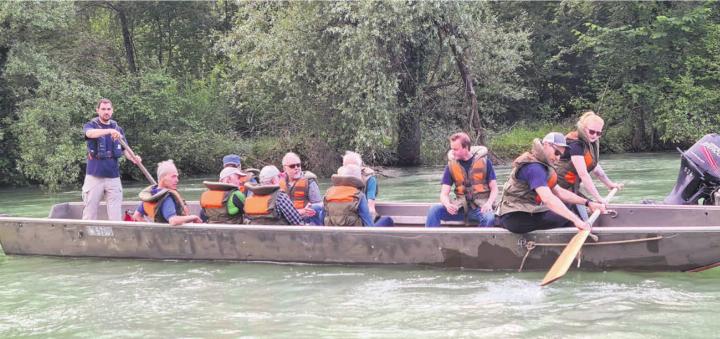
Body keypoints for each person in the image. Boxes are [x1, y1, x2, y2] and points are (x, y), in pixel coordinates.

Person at [497, 132, 606, 234]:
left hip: (527, 210)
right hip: (515, 217)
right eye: (557, 153)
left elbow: (559, 192)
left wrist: (589, 203)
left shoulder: (542, 165)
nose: (558, 158)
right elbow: (548, 199)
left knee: (571, 206)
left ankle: (579, 231)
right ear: (546, 145)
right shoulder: (534, 168)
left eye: (561, 155)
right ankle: (579, 233)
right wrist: (576, 220)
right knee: (566, 216)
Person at [555, 111, 624, 218]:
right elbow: (583, 174)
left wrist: (609, 184)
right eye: (592, 132)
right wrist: (599, 198)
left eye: (598, 133)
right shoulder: (576, 145)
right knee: (584, 217)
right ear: (583, 128)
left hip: (572, 189)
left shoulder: (590, 143)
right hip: (559, 189)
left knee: (590, 210)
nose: (595, 135)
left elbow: (595, 167)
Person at [82, 98, 141, 221]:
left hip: (113, 177)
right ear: (97, 110)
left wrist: (134, 158)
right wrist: (109, 131)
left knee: (115, 215)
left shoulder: (118, 129)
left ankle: (116, 237)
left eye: (108, 109)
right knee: (90, 213)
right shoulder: (90, 125)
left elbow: (125, 150)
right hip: (94, 176)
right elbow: (90, 134)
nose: (106, 112)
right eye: (103, 109)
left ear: (112, 111)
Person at [425, 132, 499, 227]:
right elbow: (444, 194)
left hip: (480, 208)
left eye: (455, 149)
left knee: (490, 218)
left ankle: (480, 242)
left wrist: (489, 204)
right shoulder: (451, 166)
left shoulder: (485, 163)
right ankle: (430, 240)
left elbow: (494, 189)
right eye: (452, 149)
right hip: (460, 208)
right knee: (434, 210)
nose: (452, 152)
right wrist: (448, 205)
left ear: (466, 147)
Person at [132, 160, 203, 225]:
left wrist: (152, 229)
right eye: (173, 177)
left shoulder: (150, 195)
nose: (177, 180)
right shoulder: (167, 197)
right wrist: (194, 217)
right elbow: (173, 221)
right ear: (163, 178)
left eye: (177, 177)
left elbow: (136, 216)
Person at [323, 164, 393, 226]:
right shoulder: (359, 195)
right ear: (357, 179)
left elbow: (322, 217)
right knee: (388, 219)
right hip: (357, 237)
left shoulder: (328, 193)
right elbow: (369, 224)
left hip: (334, 236)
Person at [279, 152, 323, 225]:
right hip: (286, 219)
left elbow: (319, 205)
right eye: (292, 166)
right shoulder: (279, 182)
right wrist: (300, 211)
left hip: (306, 219)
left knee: (315, 208)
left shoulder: (309, 181)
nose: (296, 168)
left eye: (298, 165)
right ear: (284, 168)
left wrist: (308, 210)